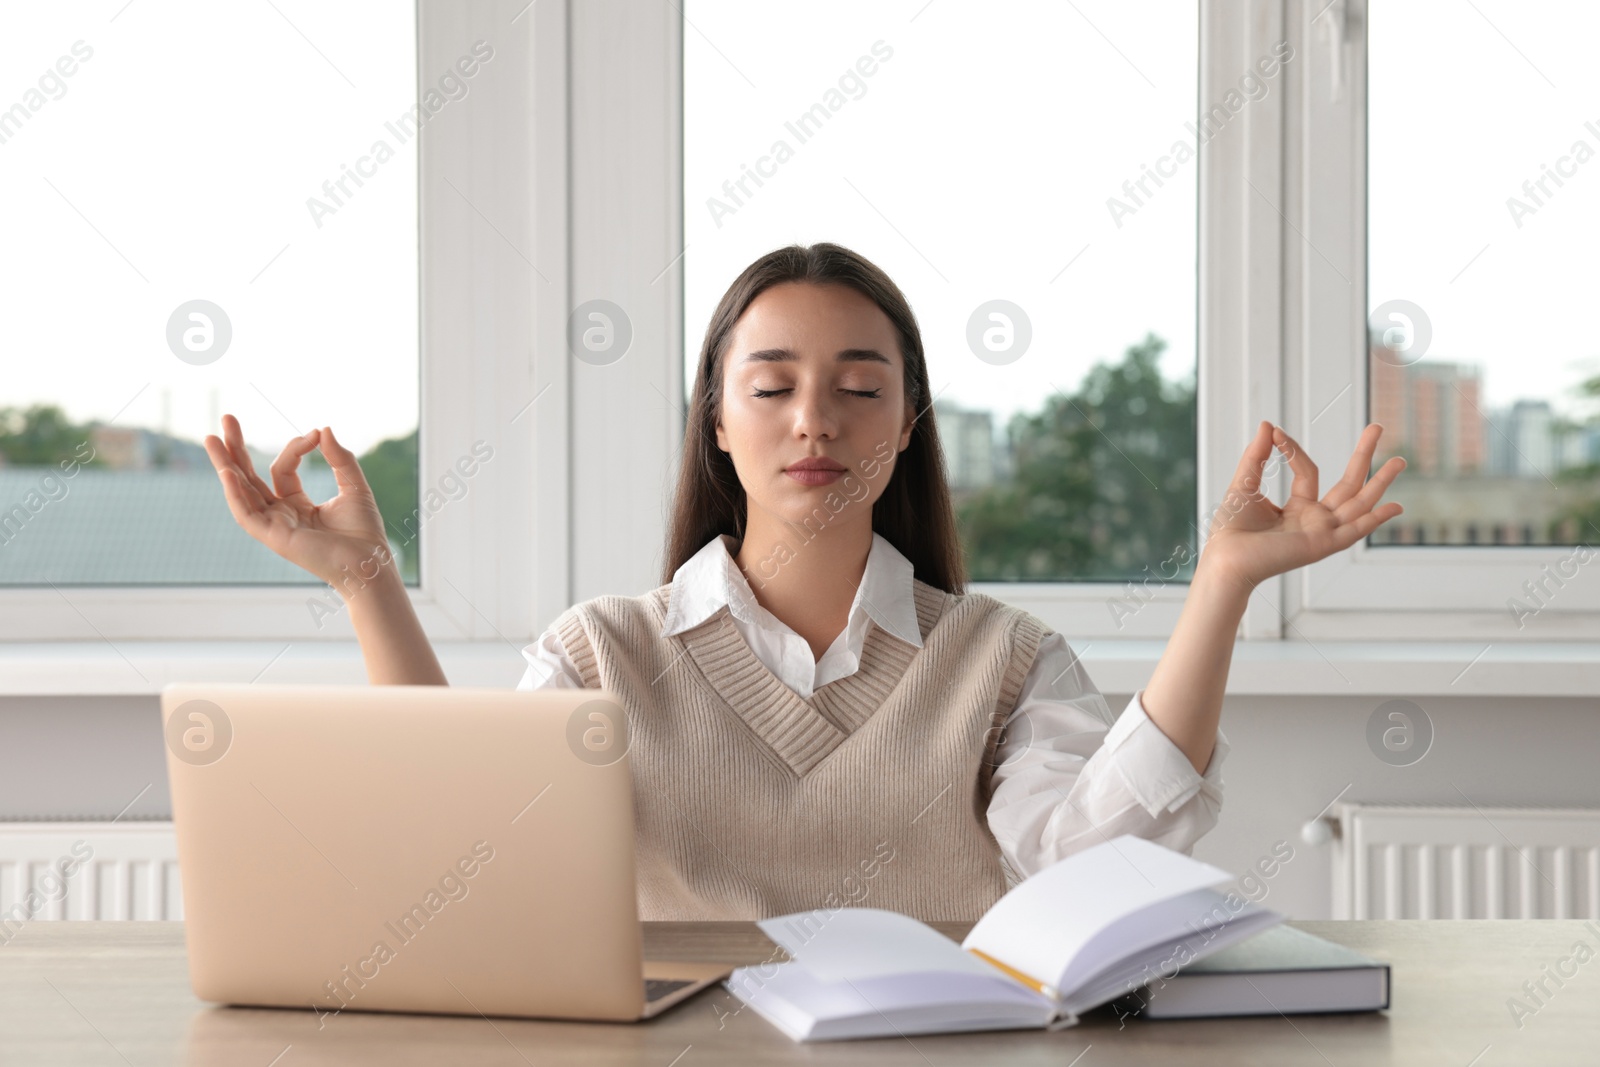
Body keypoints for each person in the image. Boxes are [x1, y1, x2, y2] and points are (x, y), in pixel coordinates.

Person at [204, 242, 1405, 922]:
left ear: (909, 420)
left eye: (858, 384)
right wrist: (367, 581)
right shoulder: (600, 654)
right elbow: (460, 855)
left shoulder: (1002, 659)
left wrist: (1224, 587)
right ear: (717, 422)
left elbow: (1086, 871)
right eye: (769, 384)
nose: (813, 418)